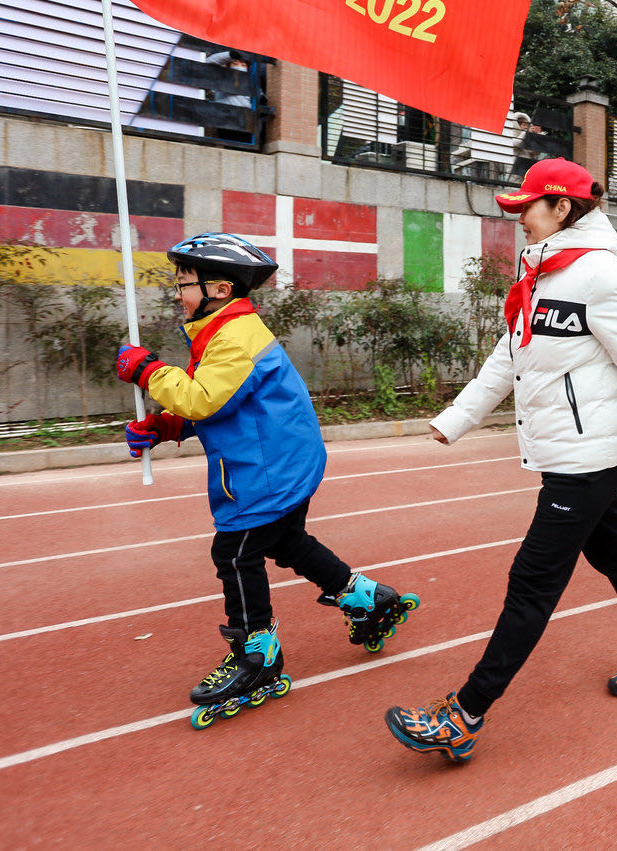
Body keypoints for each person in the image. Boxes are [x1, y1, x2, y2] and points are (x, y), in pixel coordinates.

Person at [383, 159, 617, 762]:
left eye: (528, 206)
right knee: (613, 552)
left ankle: (464, 714)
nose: (519, 217)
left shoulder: (601, 276)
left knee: (532, 581)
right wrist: (456, 419)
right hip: (565, 452)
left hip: (590, 456)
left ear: (562, 209)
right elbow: (508, 357)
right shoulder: (544, 273)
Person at [116, 233, 419, 730]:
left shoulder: (235, 337)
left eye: (184, 283)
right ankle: (367, 597)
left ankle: (258, 654)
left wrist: (147, 370)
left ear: (217, 288)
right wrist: (168, 425)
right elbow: (224, 405)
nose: (177, 293)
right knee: (288, 541)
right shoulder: (223, 330)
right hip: (279, 460)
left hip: (270, 469)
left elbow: (204, 398)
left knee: (234, 554)